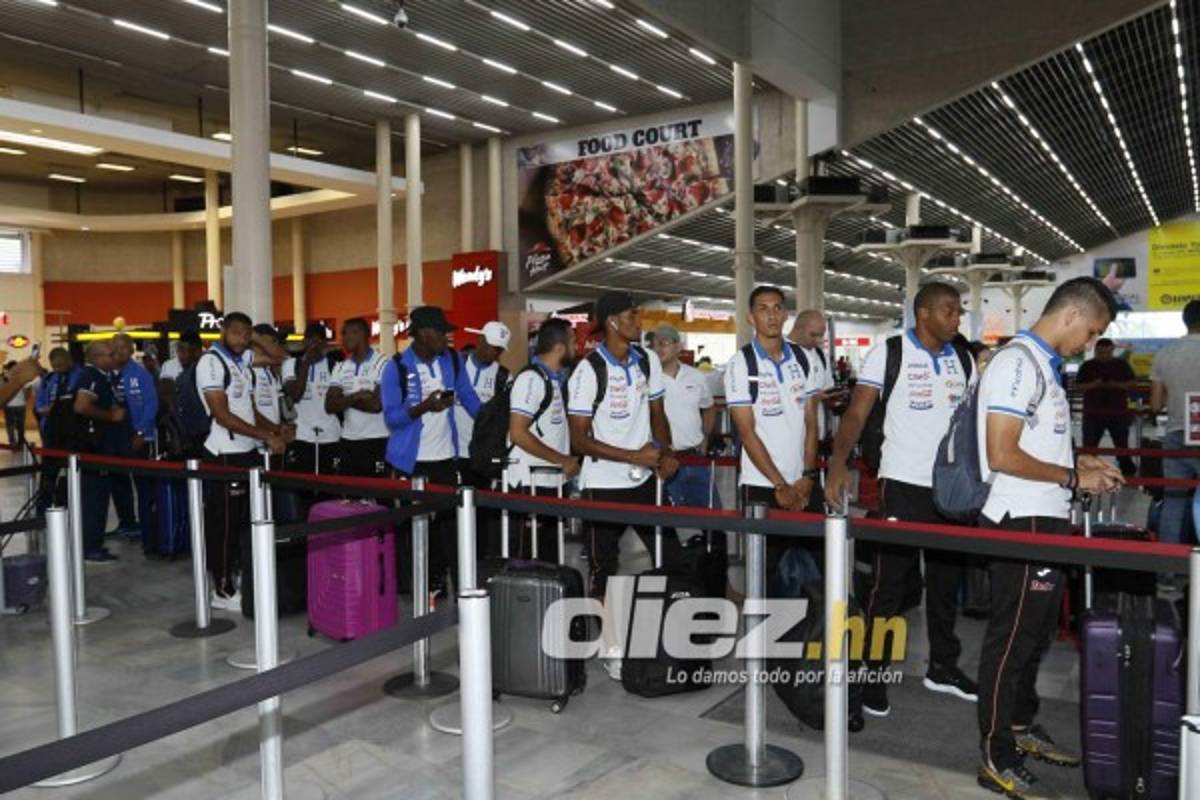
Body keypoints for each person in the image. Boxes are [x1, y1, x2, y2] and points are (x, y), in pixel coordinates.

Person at [973, 277, 1123, 798]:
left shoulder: (1045, 368)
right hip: (1021, 518)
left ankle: (1017, 728)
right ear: (1071, 315)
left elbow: (1037, 446)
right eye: (1092, 331)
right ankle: (995, 756)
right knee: (1010, 643)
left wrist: (1081, 463)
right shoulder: (1017, 364)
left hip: (1045, 515)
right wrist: (1072, 477)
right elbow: (1001, 453)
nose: (1090, 342)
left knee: (1033, 639)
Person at [826, 282, 979, 718]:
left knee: (947, 582)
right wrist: (839, 463)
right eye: (949, 311)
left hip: (951, 489)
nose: (957, 318)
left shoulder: (964, 359)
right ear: (924, 314)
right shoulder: (888, 352)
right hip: (902, 483)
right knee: (888, 585)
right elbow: (856, 413)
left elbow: (973, 423)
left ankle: (943, 667)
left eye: (958, 312)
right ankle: (871, 673)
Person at [568, 291, 681, 601]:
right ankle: (600, 635)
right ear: (613, 322)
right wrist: (637, 456)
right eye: (632, 316)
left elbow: (658, 414)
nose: (639, 321)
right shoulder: (588, 371)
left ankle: (669, 627)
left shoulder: (647, 361)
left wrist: (665, 453)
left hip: (645, 481)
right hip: (602, 485)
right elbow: (578, 441)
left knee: (672, 555)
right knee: (603, 568)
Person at [381, 306, 482, 600]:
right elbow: (392, 419)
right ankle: (420, 584)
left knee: (449, 527)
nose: (446, 338)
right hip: (409, 463)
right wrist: (425, 406)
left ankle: (448, 581)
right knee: (414, 528)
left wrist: (492, 421)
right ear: (424, 334)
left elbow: (469, 397)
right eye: (441, 332)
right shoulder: (396, 367)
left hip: (445, 460)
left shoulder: (452, 359)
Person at [724, 285, 820, 574]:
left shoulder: (806, 359)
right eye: (763, 309)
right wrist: (780, 484)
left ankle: (817, 619)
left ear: (786, 314)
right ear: (750, 318)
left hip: (804, 483)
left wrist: (807, 475)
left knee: (824, 563)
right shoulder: (740, 365)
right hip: (762, 485)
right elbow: (746, 432)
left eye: (777, 308)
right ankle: (762, 620)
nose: (772, 315)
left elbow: (812, 422)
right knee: (763, 572)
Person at [197, 312, 289, 610]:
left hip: (247, 450)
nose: (241, 338)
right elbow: (223, 415)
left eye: (245, 333)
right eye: (235, 332)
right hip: (225, 452)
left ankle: (236, 573)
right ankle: (221, 589)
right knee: (223, 523)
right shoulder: (211, 363)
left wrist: (272, 431)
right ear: (222, 331)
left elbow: (279, 357)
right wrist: (265, 434)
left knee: (242, 520)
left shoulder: (244, 360)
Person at [508, 318, 579, 558]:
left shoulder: (554, 380)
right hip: (530, 482)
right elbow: (518, 433)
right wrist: (562, 460)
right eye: (573, 341)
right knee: (526, 559)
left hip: (550, 483)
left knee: (549, 558)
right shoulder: (531, 379)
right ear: (560, 348)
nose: (577, 347)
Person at [652, 323, 723, 562]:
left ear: (678, 347)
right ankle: (676, 579)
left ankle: (717, 579)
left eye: (665, 342)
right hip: (665, 460)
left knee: (714, 520)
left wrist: (704, 438)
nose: (659, 347)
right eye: (655, 343)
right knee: (668, 527)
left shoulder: (695, 376)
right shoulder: (647, 378)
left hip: (696, 459)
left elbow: (710, 407)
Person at [455, 320, 511, 554]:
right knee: (450, 514)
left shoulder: (504, 378)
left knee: (480, 516)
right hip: (450, 452)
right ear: (480, 341)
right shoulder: (456, 368)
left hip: (481, 457)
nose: (493, 353)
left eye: (499, 349)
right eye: (490, 346)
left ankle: (478, 563)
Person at [1150, 300, 1200, 550]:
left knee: (1173, 502)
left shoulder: (1165, 353)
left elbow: (1156, 404)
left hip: (1176, 434)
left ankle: (1165, 575)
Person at [72, 340, 127, 563]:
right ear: (95, 357)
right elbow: (81, 406)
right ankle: (90, 547)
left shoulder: (101, 377)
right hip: (93, 448)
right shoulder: (91, 376)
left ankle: (93, 543)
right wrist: (110, 417)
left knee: (99, 496)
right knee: (94, 498)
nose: (113, 357)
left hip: (102, 447)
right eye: (109, 354)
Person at [109, 333, 159, 539]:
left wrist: (141, 431)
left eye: (123, 347)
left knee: (142, 483)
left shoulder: (140, 374)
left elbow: (151, 404)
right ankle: (127, 523)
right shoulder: (107, 373)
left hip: (137, 435)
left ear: (131, 350)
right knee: (118, 482)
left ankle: (148, 526)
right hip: (114, 436)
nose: (119, 351)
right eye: (116, 347)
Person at [326, 318, 390, 478]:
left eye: (347, 333)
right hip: (348, 441)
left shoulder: (384, 364)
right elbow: (329, 406)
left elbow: (376, 405)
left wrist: (344, 399)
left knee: (380, 496)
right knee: (349, 498)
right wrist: (356, 396)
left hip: (377, 440)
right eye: (343, 333)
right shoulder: (340, 367)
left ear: (361, 334)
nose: (343, 338)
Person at [282, 322, 341, 476]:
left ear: (325, 344)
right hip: (301, 435)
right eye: (310, 341)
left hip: (330, 435)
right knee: (301, 485)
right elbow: (295, 395)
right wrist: (306, 363)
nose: (314, 346)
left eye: (318, 342)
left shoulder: (335, 366)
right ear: (304, 341)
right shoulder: (291, 364)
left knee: (328, 485)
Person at [1076, 337, 1138, 476]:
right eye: (1100, 353)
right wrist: (1094, 385)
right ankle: (1087, 474)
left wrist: (1116, 385)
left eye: (1107, 353)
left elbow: (1133, 383)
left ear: (1112, 351)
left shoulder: (1122, 365)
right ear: (1095, 351)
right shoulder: (1087, 366)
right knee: (1089, 448)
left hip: (1118, 413)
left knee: (1122, 447)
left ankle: (1128, 474)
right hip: (1093, 414)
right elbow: (1078, 386)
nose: (1104, 356)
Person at [33, 347, 80, 509]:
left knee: (73, 470)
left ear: (69, 360)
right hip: (51, 432)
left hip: (73, 433)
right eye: (54, 366)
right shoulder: (49, 379)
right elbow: (39, 404)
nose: (57, 369)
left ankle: (70, 503)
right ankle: (43, 505)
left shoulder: (79, 376)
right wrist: (45, 410)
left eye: (60, 365)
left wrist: (58, 407)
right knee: (48, 471)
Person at [3, 360, 33, 447]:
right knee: (20, 425)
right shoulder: (23, 377)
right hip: (21, 404)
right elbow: (28, 390)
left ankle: (12, 442)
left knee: (10, 425)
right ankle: (20, 442)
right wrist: (24, 399)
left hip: (9, 405)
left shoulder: (5, 378)